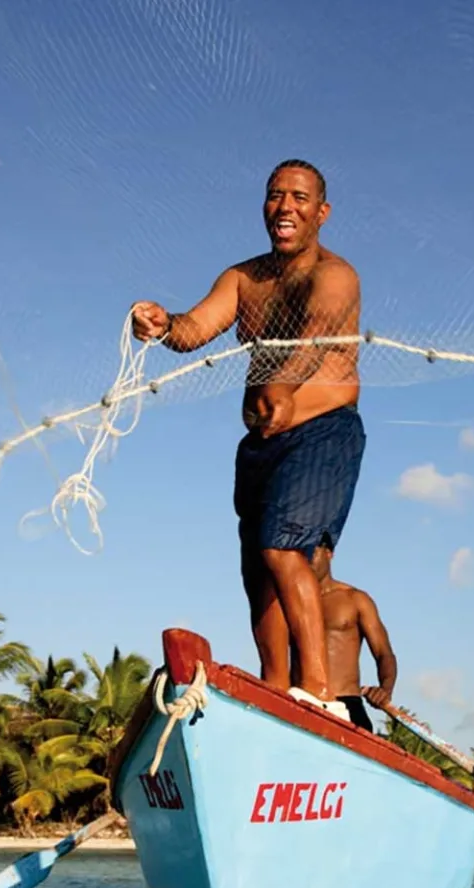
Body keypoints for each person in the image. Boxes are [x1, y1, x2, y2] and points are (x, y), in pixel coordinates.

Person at [130, 158, 364, 721]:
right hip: (259, 446)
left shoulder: (337, 275)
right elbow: (195, 330)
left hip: (322, 434)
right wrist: (162, 324)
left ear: (321, 213)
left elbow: (312, 342)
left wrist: (281, 387)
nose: (286, 206)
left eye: (300, 198)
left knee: (284, 549)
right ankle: (277, 689)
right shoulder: (243, 278)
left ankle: (320, 694)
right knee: (257, 571)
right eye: (275, 195)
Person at [293, 547, 396, 733]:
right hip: (300, 700)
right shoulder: (292, 600)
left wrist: (385, 690)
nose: (307, 560)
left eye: (312, 553)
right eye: (303, 554)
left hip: (345, 704)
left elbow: (384, 653)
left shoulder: (355, 599)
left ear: (328, 553)